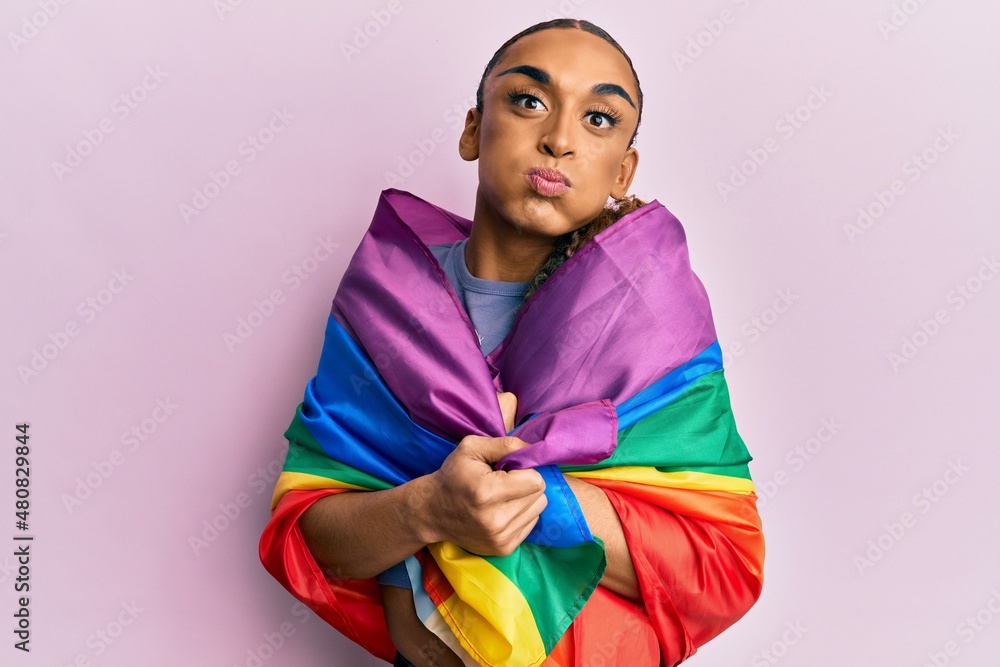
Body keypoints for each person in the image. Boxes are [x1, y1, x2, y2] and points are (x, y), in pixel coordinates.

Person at [259, 18, 764, 667]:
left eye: (599, 119)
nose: (558, 140)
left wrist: (540, 497)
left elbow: (723, 564)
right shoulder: (388, 299)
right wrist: (428, 507)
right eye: (529, 101)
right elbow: (305, 535)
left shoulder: (651, 318)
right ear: (473, 129)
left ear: (624, 170)